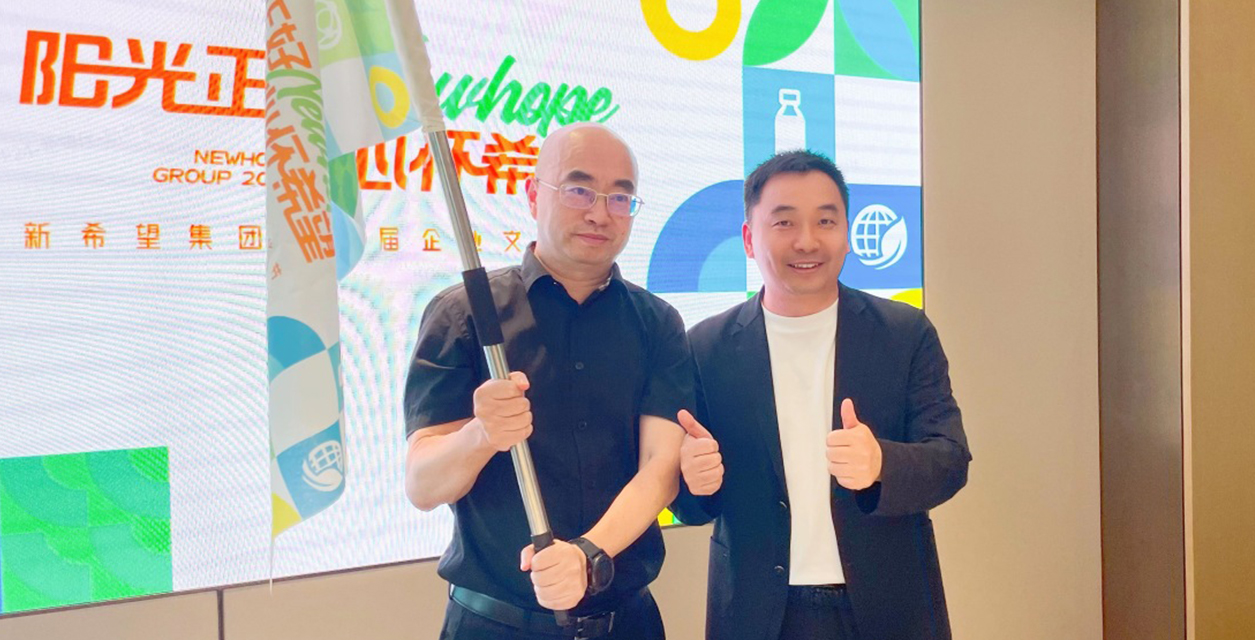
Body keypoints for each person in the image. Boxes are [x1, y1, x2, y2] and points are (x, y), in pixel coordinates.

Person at [403, 123, 691, 640]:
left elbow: (661, 469)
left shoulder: (657, 323)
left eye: (620, 197)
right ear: (534, 194)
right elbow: (423, 486)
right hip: (494, 624)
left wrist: (587, 554)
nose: (600, 213)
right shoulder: (465, 315)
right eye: (579, 190)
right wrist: (481, 435)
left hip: (627, 623)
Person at [670, 150, 971, 640]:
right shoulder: (705, 347)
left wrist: (881, 464)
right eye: (784, 222)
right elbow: (689, 504)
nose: (807, 240)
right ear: (749, 239)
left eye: (825, 221)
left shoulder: (904, 333)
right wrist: (693, 483)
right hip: (757, 612)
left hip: (888, 606)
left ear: (847, 234)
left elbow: (951, 460)